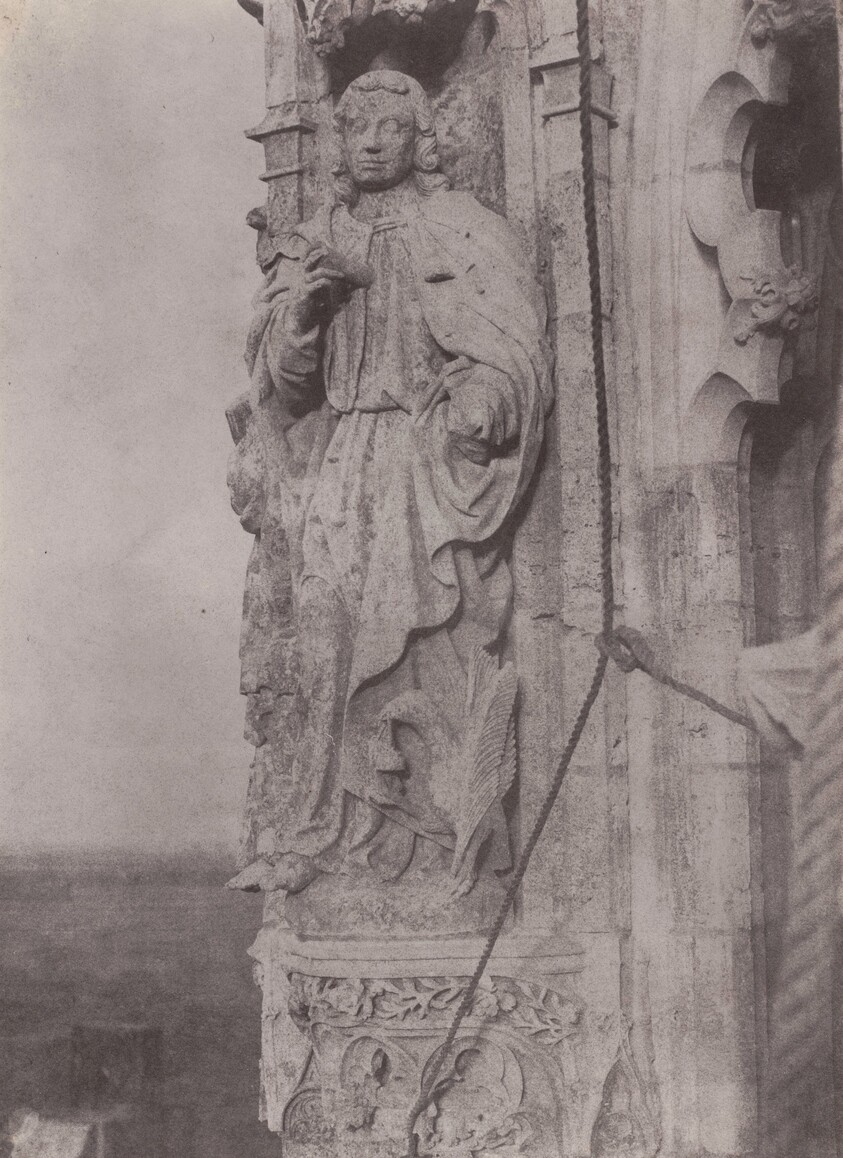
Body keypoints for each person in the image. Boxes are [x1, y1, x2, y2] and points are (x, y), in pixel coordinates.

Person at [227, 69, 552, 900]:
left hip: (426, 461)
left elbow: (507, 349)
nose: (371, 142)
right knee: (325, 632)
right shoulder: (314, 238)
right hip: (345, 462)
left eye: (389, 128)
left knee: (428, 638)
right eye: (356, 128)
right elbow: (285, 387)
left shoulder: (461, 228)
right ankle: (318, 830)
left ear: (422, 139)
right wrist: (301, 316)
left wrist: (482, 399)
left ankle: (441, 827)